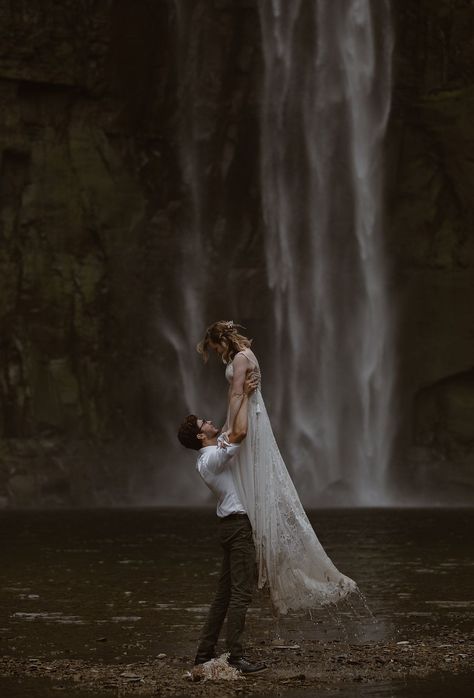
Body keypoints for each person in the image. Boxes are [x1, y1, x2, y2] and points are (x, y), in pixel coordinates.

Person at [197, 320, 357, 615]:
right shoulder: (243, 355)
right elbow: (234, 395)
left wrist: (228, 431)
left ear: (221, 340)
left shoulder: (241, 358)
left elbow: (236, 395)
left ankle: (267, 556)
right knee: (252, 482)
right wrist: (224, 428)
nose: (216, 352)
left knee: (253, 480)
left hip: (249, 421)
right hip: (249, 417)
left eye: (215, 346)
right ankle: (262, 553)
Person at [177, 373, 266, 674]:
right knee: (241, 592)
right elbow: (238, 432)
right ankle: (235, 656)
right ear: (202, 436)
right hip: (238, 526)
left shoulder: (207, 457)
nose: (209, 421)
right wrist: (243, 396)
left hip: (229, 526)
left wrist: (239, 393)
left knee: (223, 595)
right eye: (204, 423)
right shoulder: (212, 458)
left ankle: (204, 653)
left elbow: (229, 427)